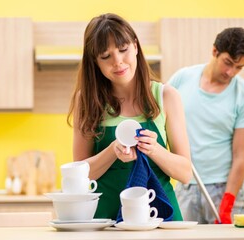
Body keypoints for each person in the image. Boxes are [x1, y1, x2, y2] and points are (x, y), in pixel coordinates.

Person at [67, 13, 192, 221]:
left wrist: (154, 149)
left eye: (123, 50)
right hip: (104, 223)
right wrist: (113, 151)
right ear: (95, 62)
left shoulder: (166, 96)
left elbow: (185, 173)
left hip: (160, 220)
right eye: (106, 56)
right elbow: (80, 175)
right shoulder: (87, 101)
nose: (118, 62)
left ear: (135, 46)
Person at [168, 27, 244, 224]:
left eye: (239, 67)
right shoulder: (182, 79)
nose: (231, 72)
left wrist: (228, 203)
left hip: (224, 190)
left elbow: (240, 157)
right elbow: (159, 122)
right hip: (185, 186)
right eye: (228, 63)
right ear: (214, 51)